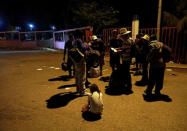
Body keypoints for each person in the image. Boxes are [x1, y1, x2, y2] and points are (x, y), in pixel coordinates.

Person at [69, 30, 89, 96]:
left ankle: (78, 89)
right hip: (81, 60)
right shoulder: (79, 40)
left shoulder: (74, 41)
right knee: (82, 75)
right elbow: (83, 48)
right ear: (81, 35)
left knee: (77, 75)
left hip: (76, 60)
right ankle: (82, 91)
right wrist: (88, 45)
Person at [116, 28, 133, 94]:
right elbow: (124, 49)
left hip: (126, 59)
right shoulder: (130, 40)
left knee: (126, 73)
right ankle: (128, 86)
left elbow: (123, 51)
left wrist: (117, 51)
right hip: (128, 58)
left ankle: (128, 87)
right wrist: (119, 49)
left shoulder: (126, 41)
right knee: (127, 72)